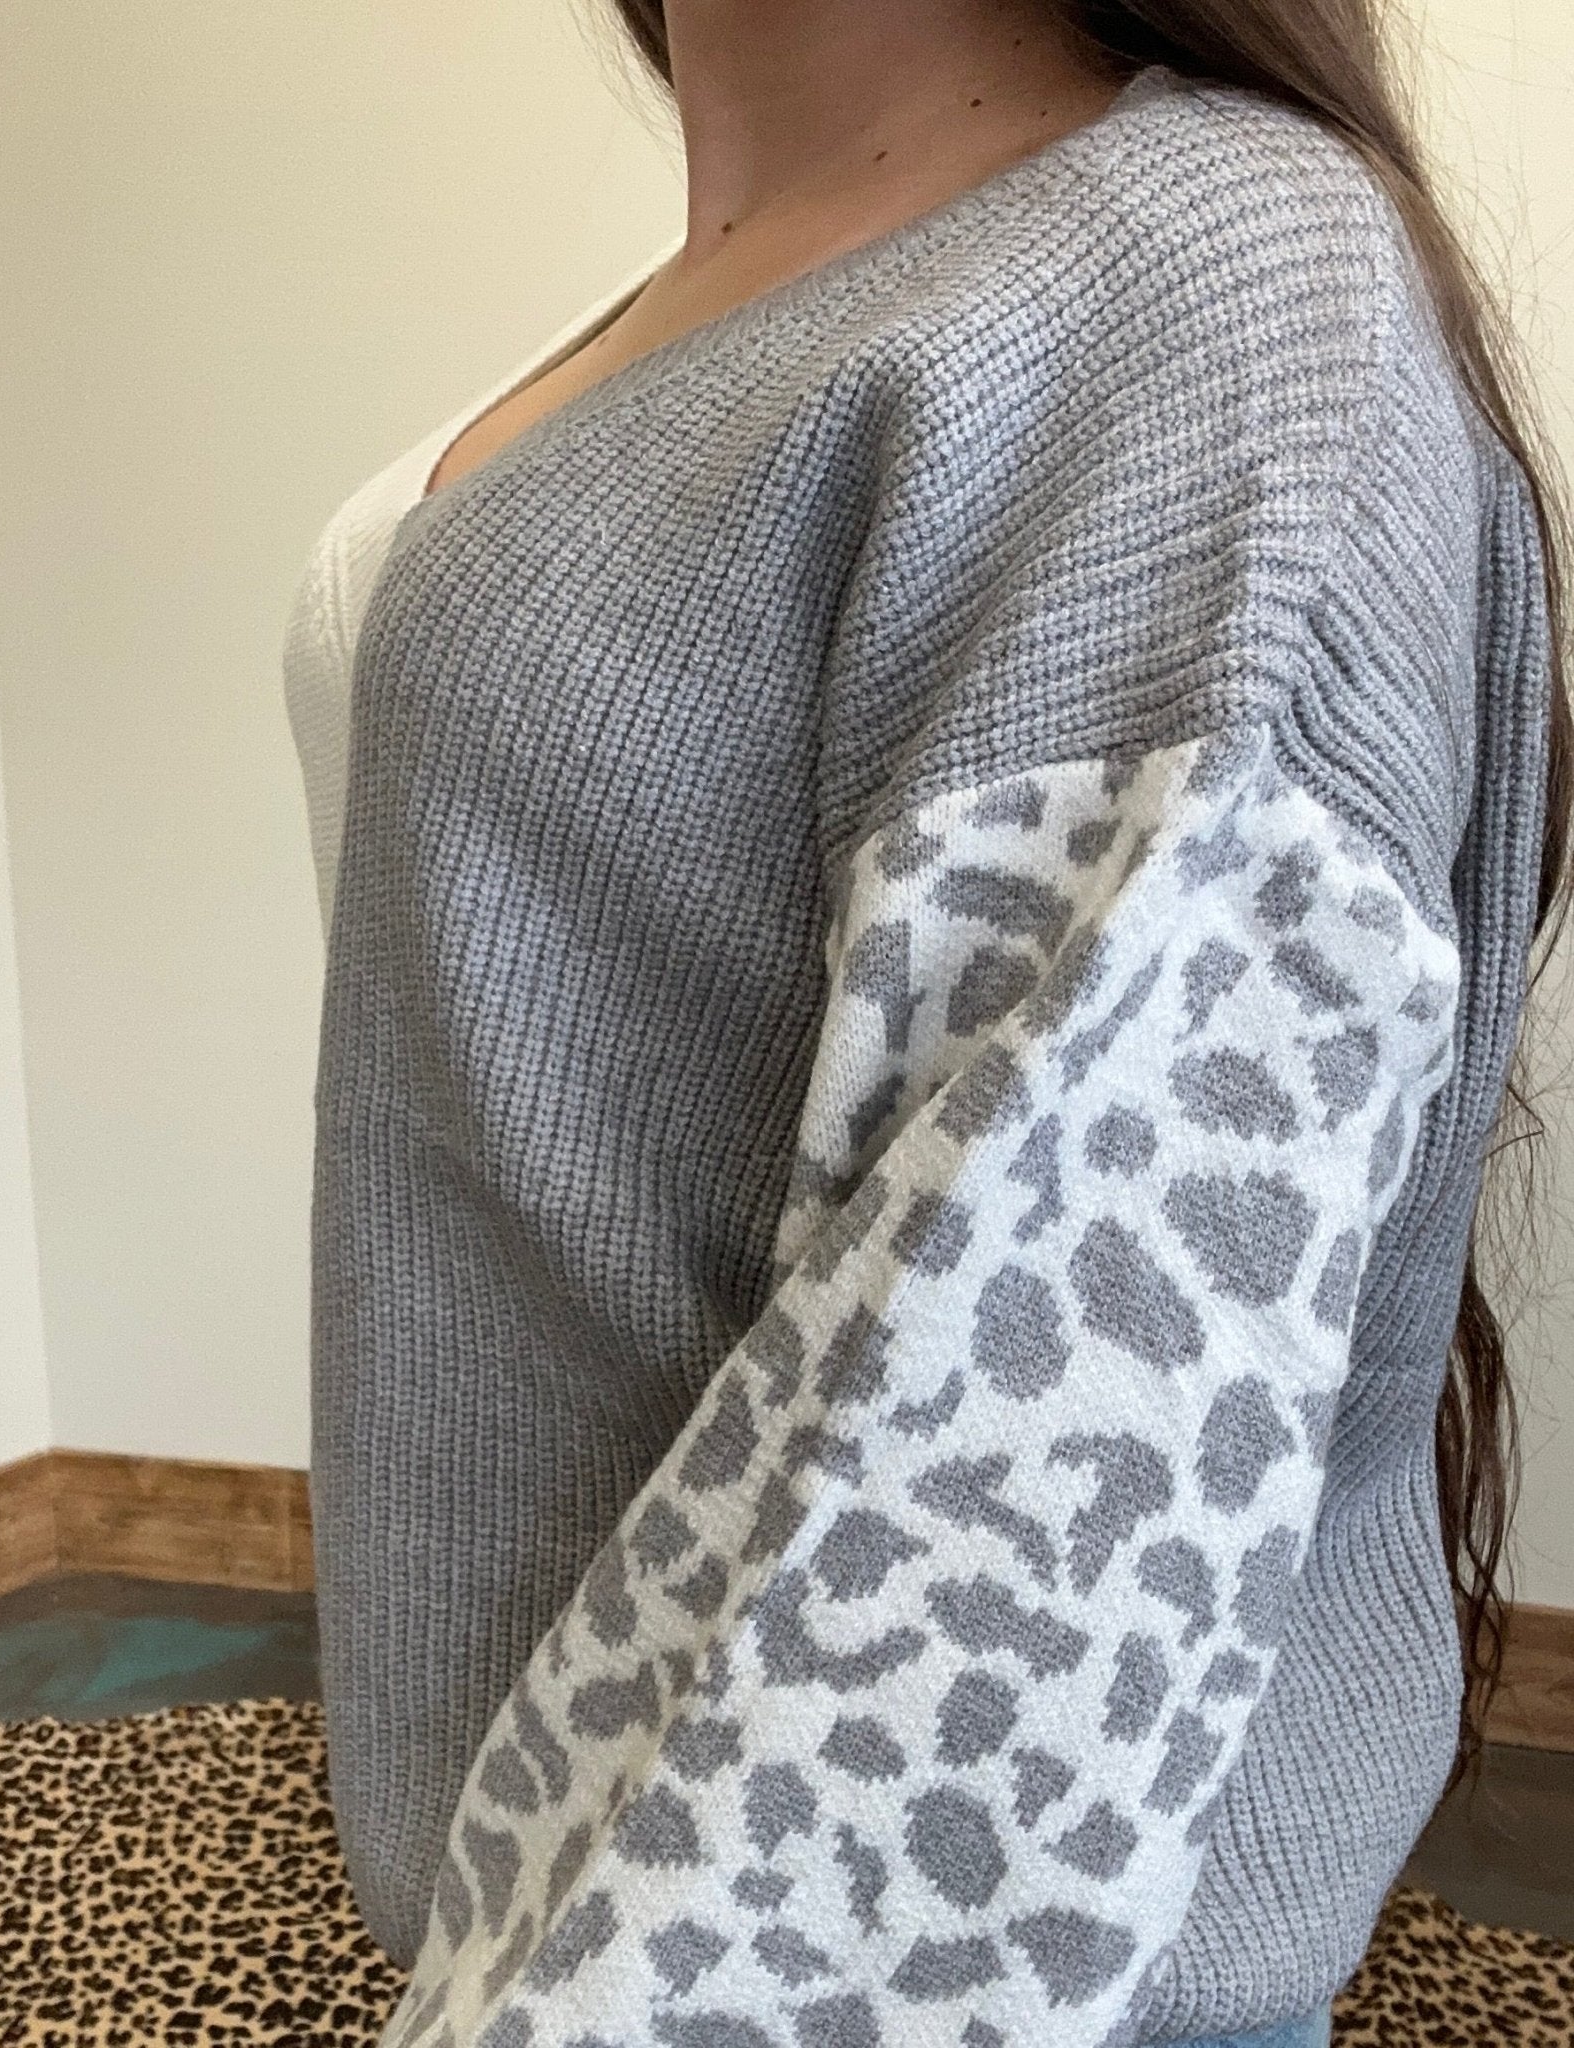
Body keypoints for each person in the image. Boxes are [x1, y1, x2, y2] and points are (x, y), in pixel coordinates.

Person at [279, 4, 1569, 2044]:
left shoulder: (1203, 284)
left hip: (899, 1965)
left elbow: (1025, 1491)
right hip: (552, 1900)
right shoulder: (752, 297)